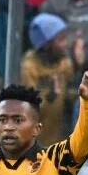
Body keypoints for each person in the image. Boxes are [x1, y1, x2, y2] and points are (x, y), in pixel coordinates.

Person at [20, 13, 76, 147]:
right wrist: (51, 96)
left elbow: (69, 96)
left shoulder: (64, 63)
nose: (65, 44)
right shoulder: (30, 67)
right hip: (37, 143)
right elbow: (29, 110)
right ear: (46, 44)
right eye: (60, 39)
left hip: (60, 139)